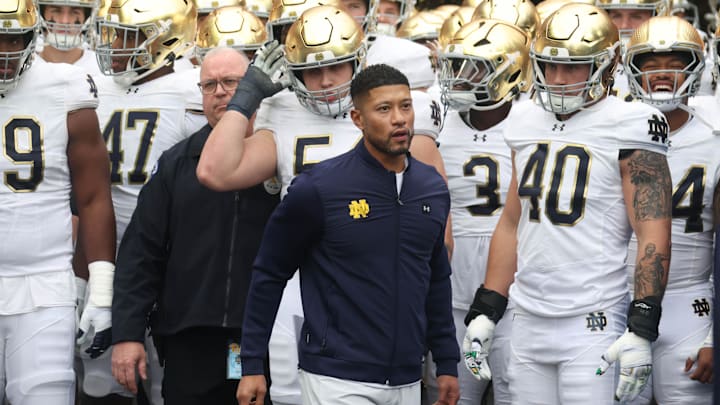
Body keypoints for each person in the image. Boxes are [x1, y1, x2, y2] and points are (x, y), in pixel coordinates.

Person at [197, 6, 445, 404]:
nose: (326, 82)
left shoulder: (389, 111)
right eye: (312, 71)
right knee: (289, 395)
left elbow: (434, 226)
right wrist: (246, 98)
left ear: (358, 63)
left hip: (369, 285)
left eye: (336, 68)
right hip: (296, 281)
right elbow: (215, 171)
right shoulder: (283, 111)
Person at [462, 4, 672, 404]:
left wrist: (643, 321)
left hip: (592, 318)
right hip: (527, 316)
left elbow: (653, 227)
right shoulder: (524, 119)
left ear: (607, 65)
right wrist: (488, 307)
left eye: (574, 67)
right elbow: (512, 221)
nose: (558, 79)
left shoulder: (632, 122)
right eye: (550, 65)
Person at [234, 63, 460, 405]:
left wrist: (447, 362)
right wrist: (251, 364)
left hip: (405, 377)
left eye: (405, 106)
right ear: (358, 118)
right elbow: (269, 273)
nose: (399, 119)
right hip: (336, 377)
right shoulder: (319, 188)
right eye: (383, 109)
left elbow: (437, 279)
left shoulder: (431, 188)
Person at [110, 47, 279, 405]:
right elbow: (141, 252)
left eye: (231, 82)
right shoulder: (177, 162)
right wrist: (127, 333)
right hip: (190, 337)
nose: (219, 92)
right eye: (209, 85)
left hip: (269, 335)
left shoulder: (283, 154)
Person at [89, 0, 205, 403]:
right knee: (101, 384)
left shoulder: (193, 90)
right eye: (112, 33)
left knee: (166, 381)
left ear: (168, 38)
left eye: (128, 35)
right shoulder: (91, 85)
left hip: (171, 260)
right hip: (103, 256)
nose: (114, 45)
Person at [0, 0, 116, 404]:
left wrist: (101, 288)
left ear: (32, 37)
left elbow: (94, 194)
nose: (3, 52)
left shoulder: (63, 84)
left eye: (13, 40)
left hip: (44, 282)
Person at [426, 18, 531, 405]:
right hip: (451, 295)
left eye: (476, 68)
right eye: (456, 66)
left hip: (521, 300)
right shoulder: (435, 121)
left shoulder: (533, 120)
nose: (460, 78)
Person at [623, 15, 716, 404]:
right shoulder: (613, 132)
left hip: (690, 303)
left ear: (695, 70)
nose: (662, 75)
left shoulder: (712, 139)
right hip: (620, 301)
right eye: (651, 65)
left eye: (675, 66)